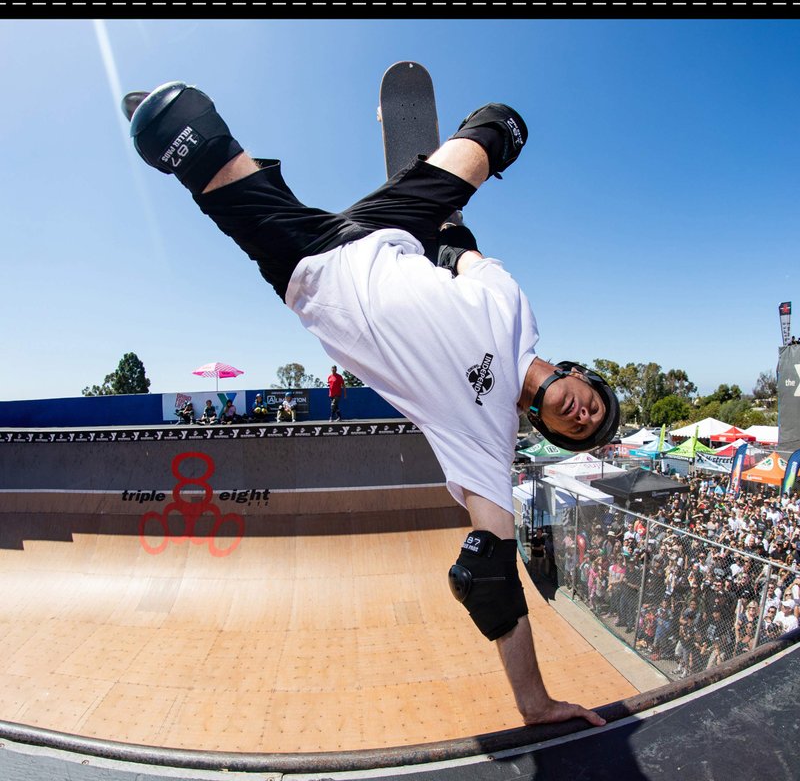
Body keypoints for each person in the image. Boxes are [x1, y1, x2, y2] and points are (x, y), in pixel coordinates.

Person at [123, 80, 620, 729]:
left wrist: (535, 702)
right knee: (503, 125)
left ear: (548, 429)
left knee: (178, 121)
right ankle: (466, 159)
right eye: (593, 408)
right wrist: (450, 232)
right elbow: (470, 260)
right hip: (392, 230)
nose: (584, 418)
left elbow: (494, 577)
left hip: (320, 273)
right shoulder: (518, 304)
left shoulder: (487, 436)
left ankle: (168, 136)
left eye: (581, 431)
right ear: (581, 377)